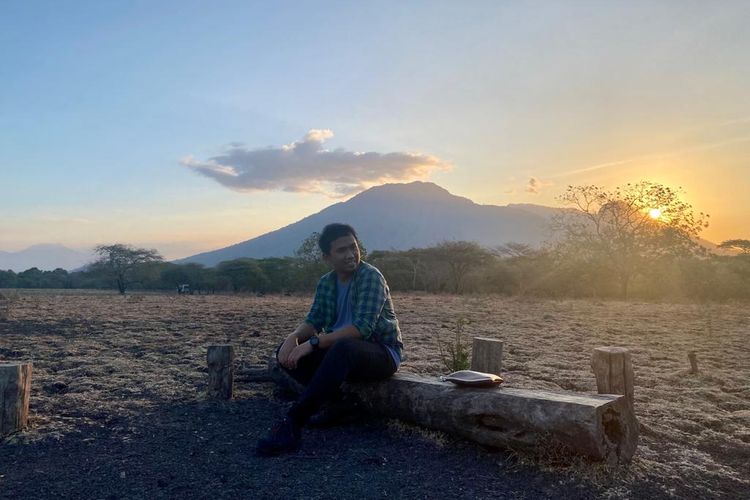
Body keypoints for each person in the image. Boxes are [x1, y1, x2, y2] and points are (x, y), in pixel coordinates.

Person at [256, 223, 403, 456]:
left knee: (342, 347)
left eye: (353, 247)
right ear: (327, 257)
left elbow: (362, 329)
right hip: (342, 354)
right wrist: (293, 338)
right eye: (341, 250)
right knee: (287, 353)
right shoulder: (326, 283)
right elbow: (314, 320)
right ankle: (340, 404)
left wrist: (313, 343)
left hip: (381, 353)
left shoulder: (370, 277)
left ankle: (294, 421)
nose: (350, 255)